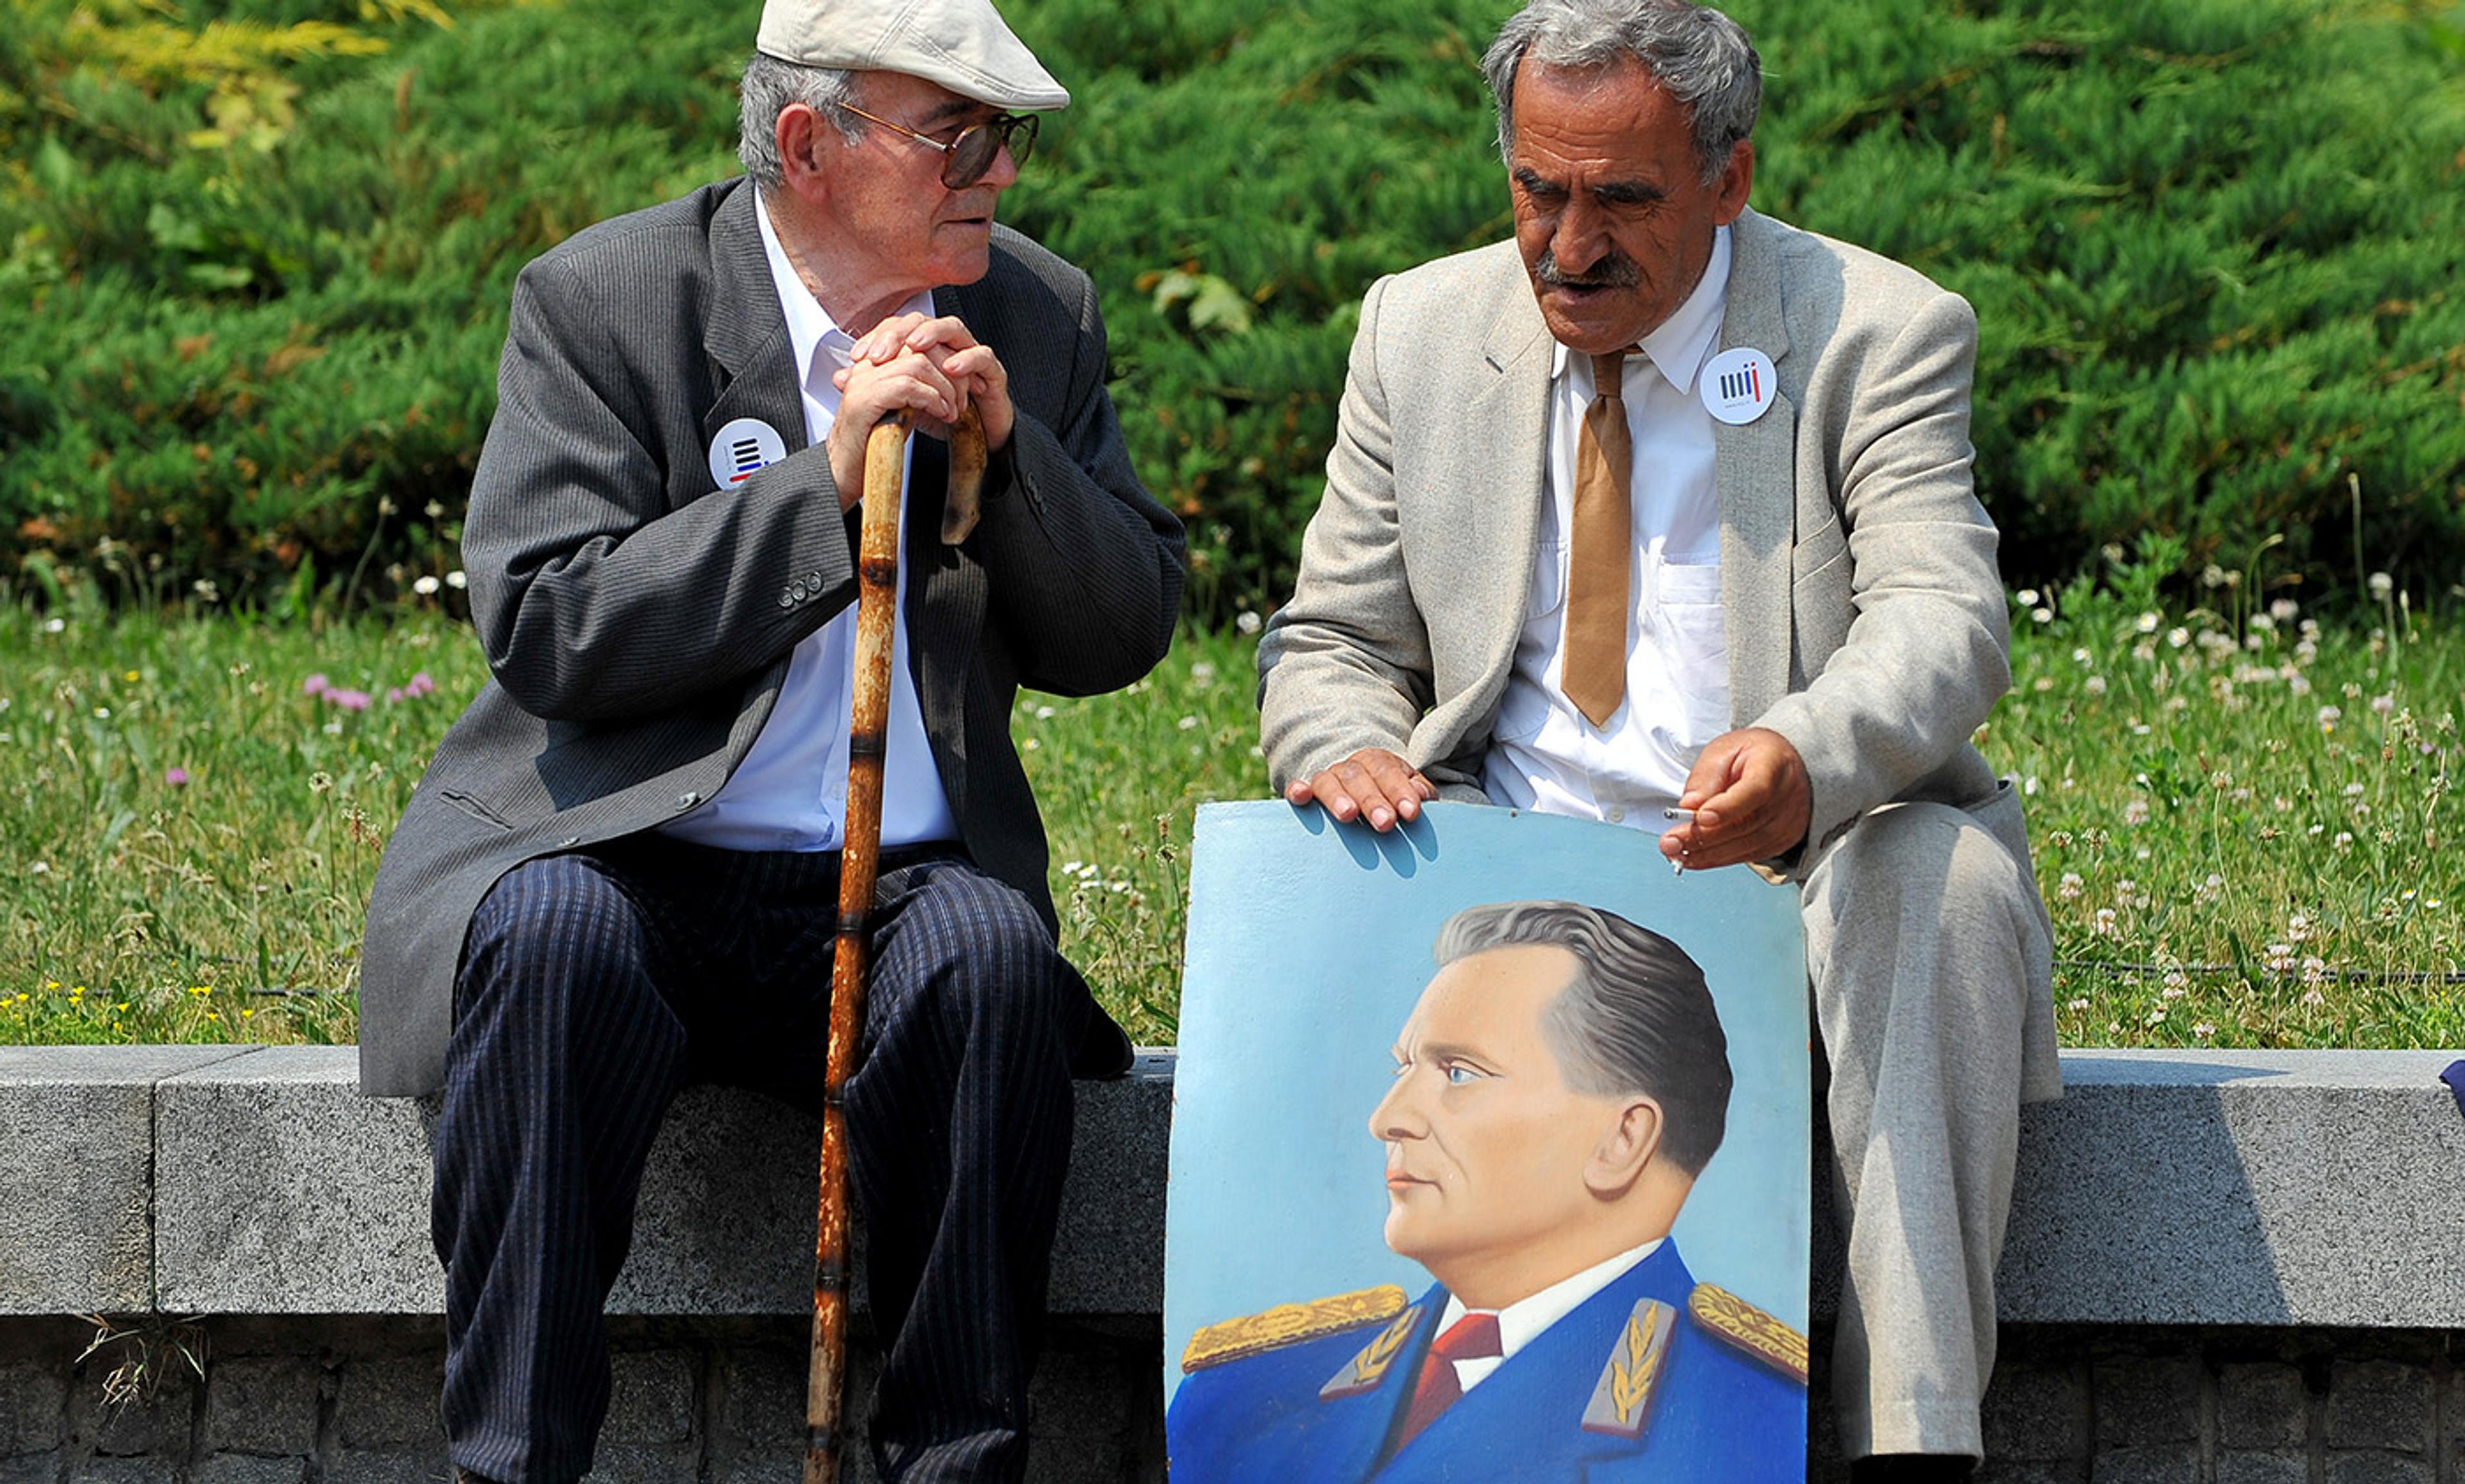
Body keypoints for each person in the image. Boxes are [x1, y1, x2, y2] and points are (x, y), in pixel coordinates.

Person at [354, 0, 1185, 1476]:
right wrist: (823, 484)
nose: (998, 174)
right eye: (961, 139)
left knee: (989, 963)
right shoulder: (609, 300)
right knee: (546, 945)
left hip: (900, 879)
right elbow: (550, 622)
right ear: (808, 144)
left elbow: (1123, 634)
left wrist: (1014, 472)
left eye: (1006, 141)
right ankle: (511, 1457)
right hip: (629, 857)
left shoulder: (1035, 315)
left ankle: (954, 1458)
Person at [1254, 1, 2059, 1478]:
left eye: (1619, 199)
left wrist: (1807, 756)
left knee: (1929, 879)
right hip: (1491, 887)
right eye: (1533, 191)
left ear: (1728, 180)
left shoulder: (1873, 331)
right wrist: (1341, 739)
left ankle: (1912, 1447)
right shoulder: (1418, 331)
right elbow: (1333, 641)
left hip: (1782, 878)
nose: (1565, 247)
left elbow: (1944, 620)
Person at [1168, 900, 1805, 1482]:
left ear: (1623, 1137)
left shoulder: (1749, 1421)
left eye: (1460, 1071)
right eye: (1404, 1067)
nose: (1389, 1116)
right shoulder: (1244, 1396)